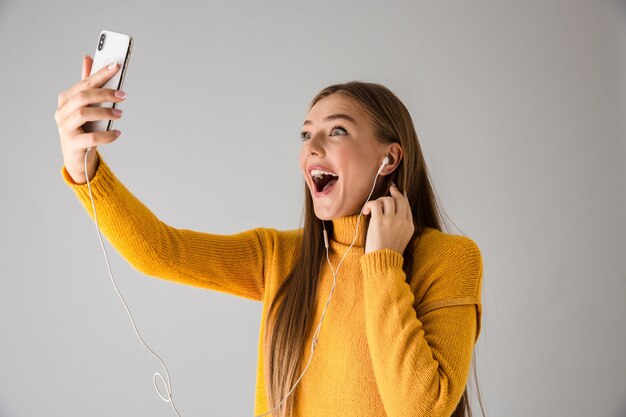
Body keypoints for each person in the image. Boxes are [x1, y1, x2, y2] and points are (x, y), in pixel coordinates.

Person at [55, 55, 485, 417]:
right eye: (305, 134)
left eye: (336, 130)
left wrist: (382, 262)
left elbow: (421, 409)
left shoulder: (448, 260)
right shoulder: (282, 256)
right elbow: (161, 252)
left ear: (389, 157)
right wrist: (82, 166)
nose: (311, 147)